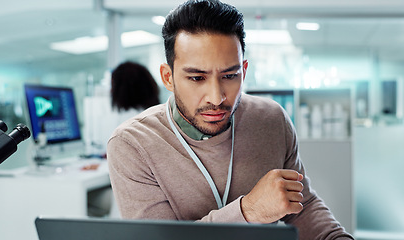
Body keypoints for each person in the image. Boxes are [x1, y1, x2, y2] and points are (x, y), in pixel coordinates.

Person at [107, 1, 354, 239]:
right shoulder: (132, 144)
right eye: (196, 78)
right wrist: (248, 211)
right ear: (168, 77)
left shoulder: (272, 120)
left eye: (230, 75)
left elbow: (303, 205)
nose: (217, 97)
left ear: (243, 71)